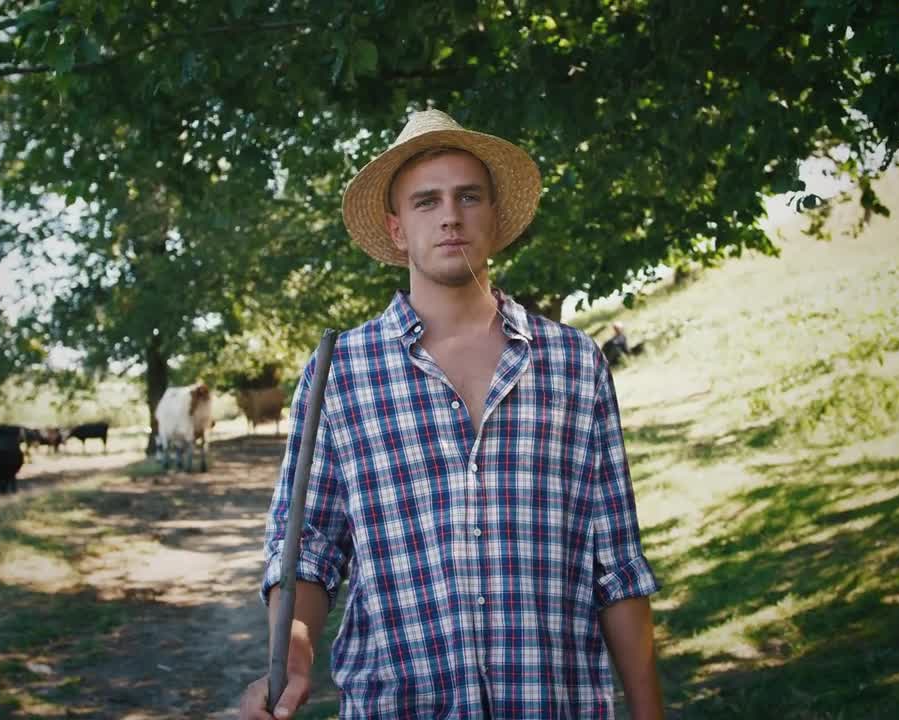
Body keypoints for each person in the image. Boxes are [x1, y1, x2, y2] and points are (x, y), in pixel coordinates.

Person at [240, 110, 663, 719]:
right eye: (426, 201)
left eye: (469, 196)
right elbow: (306, 548)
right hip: (399, 705)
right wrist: (295, 659)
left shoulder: (573, 363)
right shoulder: (342, 370)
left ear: (494, 216)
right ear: (395, 230)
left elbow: (616, 561)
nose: (450, 215)